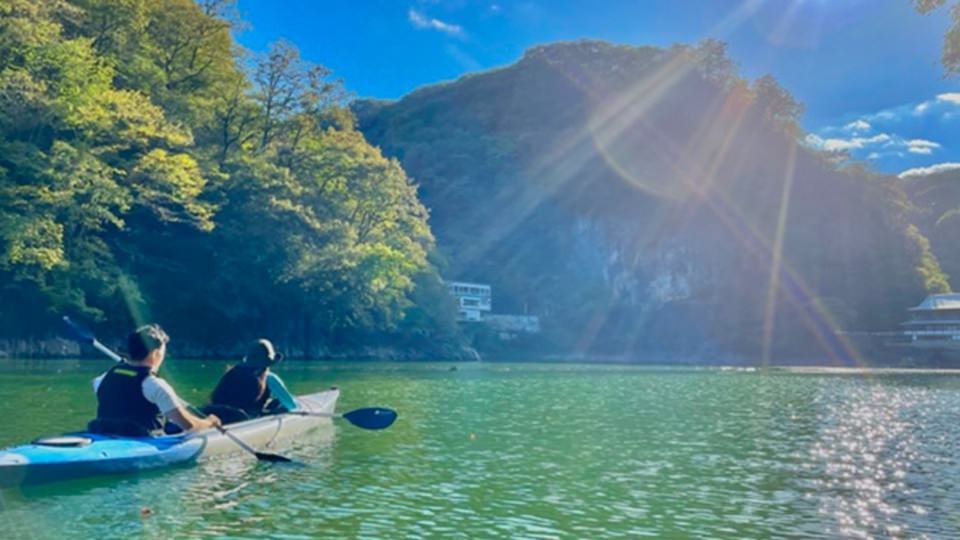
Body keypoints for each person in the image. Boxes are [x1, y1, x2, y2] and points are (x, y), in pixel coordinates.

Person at [89, 324, 221, 436]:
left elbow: (95, 384)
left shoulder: (104, 378)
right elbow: (189, 425)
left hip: (104, 434)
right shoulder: (155, 385)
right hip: (141, 441)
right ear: (155, 353)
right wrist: (209, 422)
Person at [207, 339, 298, 423]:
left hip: (218, 414)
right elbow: (291, 405)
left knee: (274, 403)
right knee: (279, 404)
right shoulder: (269, 377)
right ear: (268, 362)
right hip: (243, 419)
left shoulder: (232, 373)